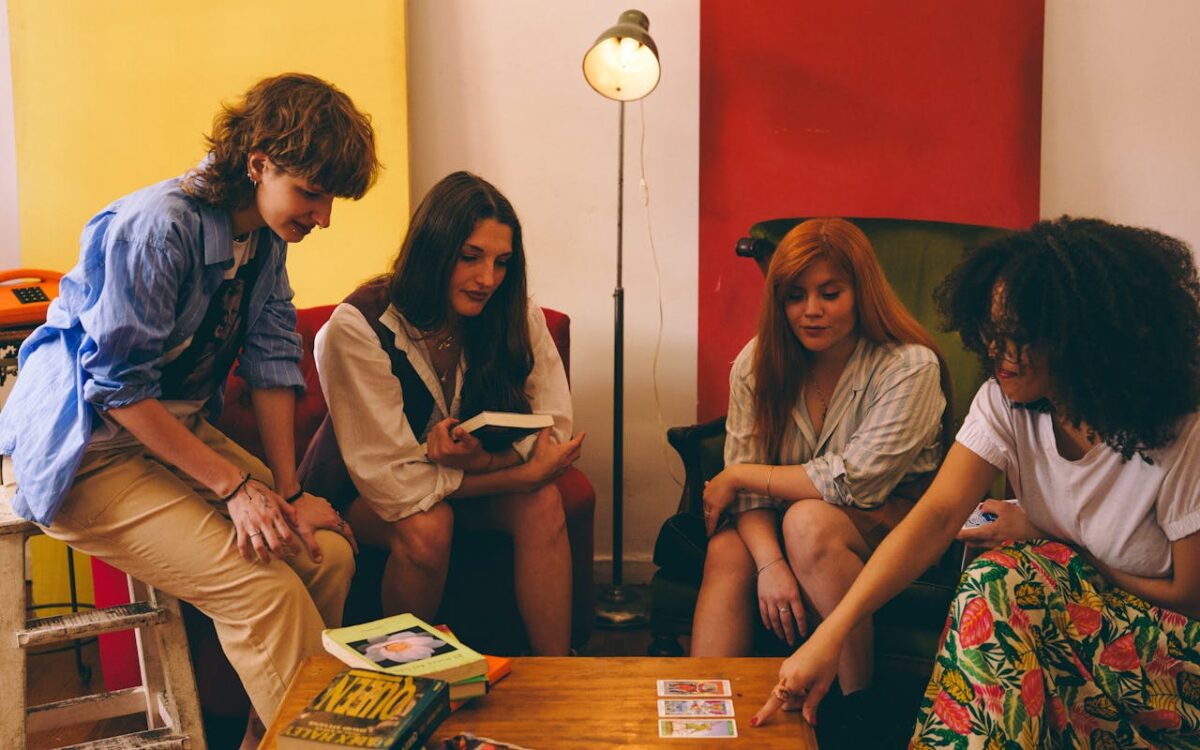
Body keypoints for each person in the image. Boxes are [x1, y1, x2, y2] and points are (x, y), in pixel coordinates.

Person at [0, 72, 379, 747]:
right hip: (89, 450)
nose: (323, 217)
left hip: (172, 433)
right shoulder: (157, 229)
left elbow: (271, 357)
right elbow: (118, 389)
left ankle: (277, 738)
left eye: (331, 201)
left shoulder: (265, 238)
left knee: (325, 556)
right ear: (258, 164)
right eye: (312, 193)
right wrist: (235, 488)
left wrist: (287, 491)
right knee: (263, 593)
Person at [753, 217, 1200, 748]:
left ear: (1082, 337)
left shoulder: (1180, 429)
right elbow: (937, 516)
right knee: (1002, 580)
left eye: (1018, 338)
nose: (996, 353)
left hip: (1172, 664)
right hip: (1068, 649)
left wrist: (1057, 546)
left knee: (1005, 578)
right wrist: (829, 636)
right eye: (990, 333)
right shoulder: (1005, 402)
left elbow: (1188, 596)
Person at [691, 218, 951, 735]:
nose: (811, 310)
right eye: (795, 296)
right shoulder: (755, 363)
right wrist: (770, 565)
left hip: (896, 522)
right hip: (790, 520)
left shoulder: (910, 366)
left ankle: (856, 718)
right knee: (729, 550)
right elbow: (746, 500)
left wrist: (742, 474)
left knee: (808, 522)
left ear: (861, 293)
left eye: (830, 294)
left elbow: (858, 483)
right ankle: (701, 719)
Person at [309, 171, 585, 655]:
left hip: (460, 481)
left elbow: (553, 427)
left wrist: (483, 462)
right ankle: (403, 682)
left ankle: (557, 674)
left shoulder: (515, 313)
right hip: (362, 494)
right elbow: (395, 486)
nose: (488, 279)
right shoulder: (357, 327)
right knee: (427, 526)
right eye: (470, 257)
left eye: (501, 262)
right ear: (433, 249)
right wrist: (517, 475)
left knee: (543, 504)